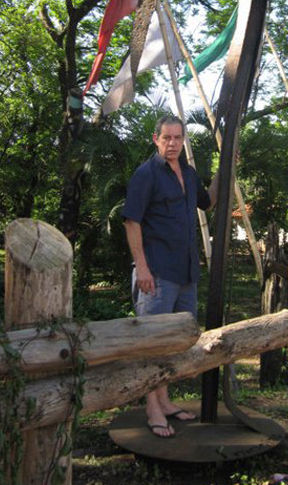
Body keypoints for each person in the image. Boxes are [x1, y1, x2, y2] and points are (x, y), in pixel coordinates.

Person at [122, 113, 218, 438]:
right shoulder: (146, 174)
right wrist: (142, 267)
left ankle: (164, 401)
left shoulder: (188, 173)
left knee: (175, 344)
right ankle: (152, 408)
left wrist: (225, 169)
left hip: (186, 273)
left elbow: (208, 202)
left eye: (178, 138)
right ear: (156, 139)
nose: (173, 143)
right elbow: (131, 221)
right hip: (157, 274)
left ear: (183, 139)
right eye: (167, 138)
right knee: (152, 343)